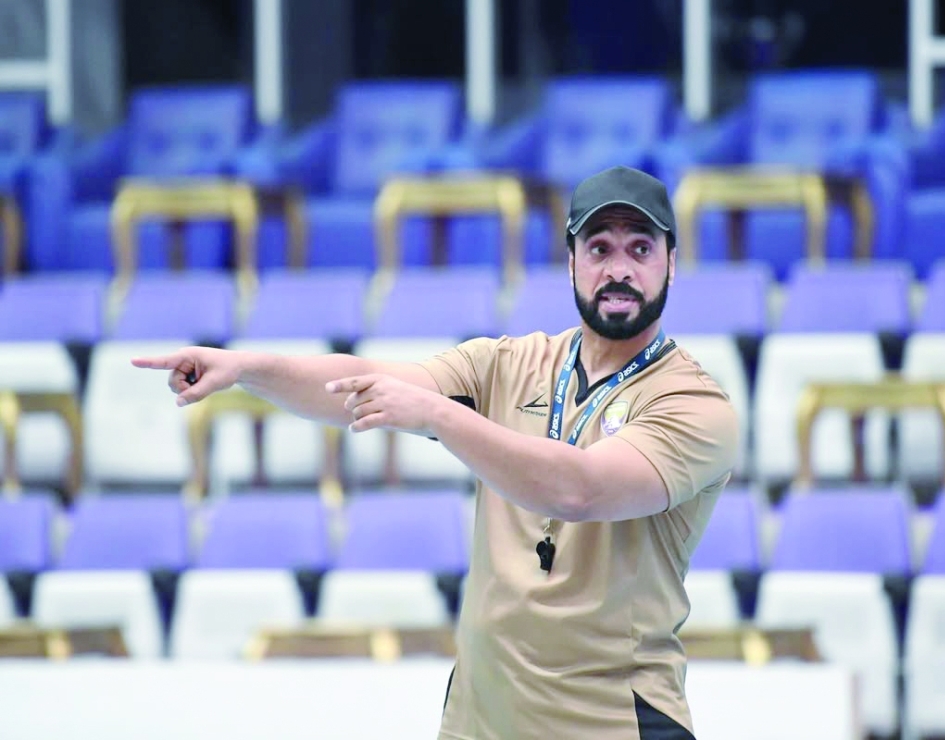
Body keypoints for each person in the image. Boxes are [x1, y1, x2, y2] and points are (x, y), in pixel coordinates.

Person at [133, 165, 739, 740]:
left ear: (672, 264)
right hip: (480, 717)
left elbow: (580, 490)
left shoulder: (693, 403)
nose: (619, 268)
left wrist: (441, 415)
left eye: (640, 248)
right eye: (599, 247)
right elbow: (361, 383)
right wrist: (244, 366)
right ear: (571, 262)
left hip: (611, 720)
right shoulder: (510, 362)